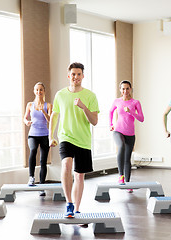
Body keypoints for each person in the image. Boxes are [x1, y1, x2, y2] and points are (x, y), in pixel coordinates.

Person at [49, 62, 99, 218]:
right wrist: (51, 136)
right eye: (73, 74)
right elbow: (54, 115)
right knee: (66, 163)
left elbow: (94, 121)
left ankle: (77, 209)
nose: (76, 77)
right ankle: (69, 203)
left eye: (79, 74)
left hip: (83, 139)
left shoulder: (90, 96)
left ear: (83, 76)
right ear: (68, 75)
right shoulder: (60, 94)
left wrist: (84, 107)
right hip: (66, 137)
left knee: (79, 175)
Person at [109, 80, 144, 192]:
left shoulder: (135, 102)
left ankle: (128, 183)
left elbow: (141, 118)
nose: (125, 91)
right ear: (120, 90)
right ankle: (121, 176)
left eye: (127, 88)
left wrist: (131, 112)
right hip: (118, 131)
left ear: (130, 89)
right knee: (121, 146)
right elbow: (110, 112)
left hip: (130, 134)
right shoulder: (117, 101)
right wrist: (110, 124)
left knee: (127, 159)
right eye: (123, 89)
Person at [23, 82, 52, 196]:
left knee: (43, 161)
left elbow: (50, 120)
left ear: (44, 91)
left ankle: (42, 186)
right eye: (37, 90)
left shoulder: (48, 105)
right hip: (33, 134)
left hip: (44, 135)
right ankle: (31, 177)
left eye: (41, 90)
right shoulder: (30, 104)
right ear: (34, 91)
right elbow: (25, 117)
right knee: (33, 150)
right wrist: (27, 122)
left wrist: (43, 111)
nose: (39, 92)